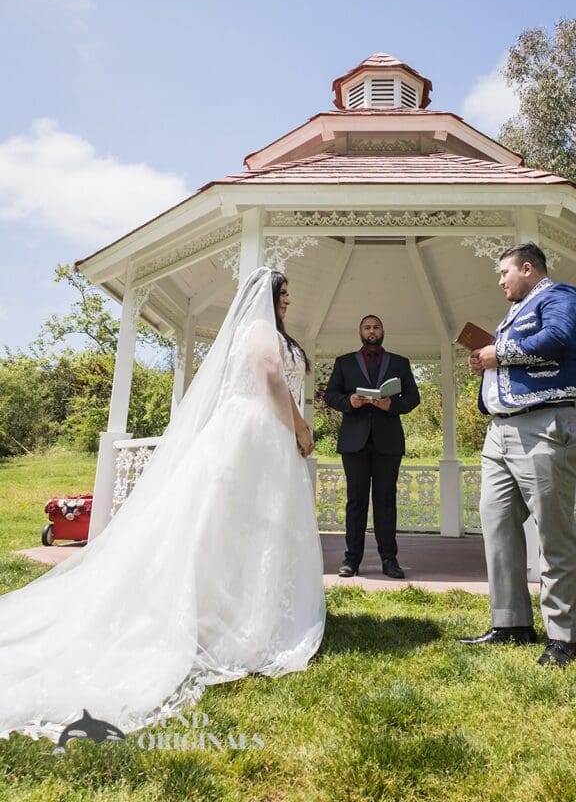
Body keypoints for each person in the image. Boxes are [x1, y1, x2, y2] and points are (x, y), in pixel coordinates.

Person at [0, 268, 325, 743]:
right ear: (266, 296)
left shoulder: (265, 332)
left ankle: (245, 611)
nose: (288, 302)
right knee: (231, 527)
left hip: (263, 434)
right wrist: (299, 427)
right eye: (284, 293)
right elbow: (271, 379)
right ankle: (217, 621)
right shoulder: (256, 331)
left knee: (253, 529)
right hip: (256, 432)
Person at [460, 242, 576, 668]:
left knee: (554, 532)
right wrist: (485, 362)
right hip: (501, 431)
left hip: (545, 425)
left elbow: (558, 338)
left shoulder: (561, 296)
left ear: (528, 269)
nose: (500, 281)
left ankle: (563, 633)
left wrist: (496, 353)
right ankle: (511, 621)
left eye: (504, 273)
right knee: (496, 524)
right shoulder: (512, 315)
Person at [324, 314, 420, 579]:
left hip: (387, 442)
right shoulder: (344, 362)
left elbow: (413, 398)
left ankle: (389, 559)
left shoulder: (400, 363)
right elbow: (330, 394)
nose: (372, 331)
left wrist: (392, 405)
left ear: (383, 331)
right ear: (360, 332)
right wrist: (349, 402)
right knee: (355, 502)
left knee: (385, 501)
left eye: (376, 327)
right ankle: (351, 560)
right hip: (354, 442)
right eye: (367, 327)